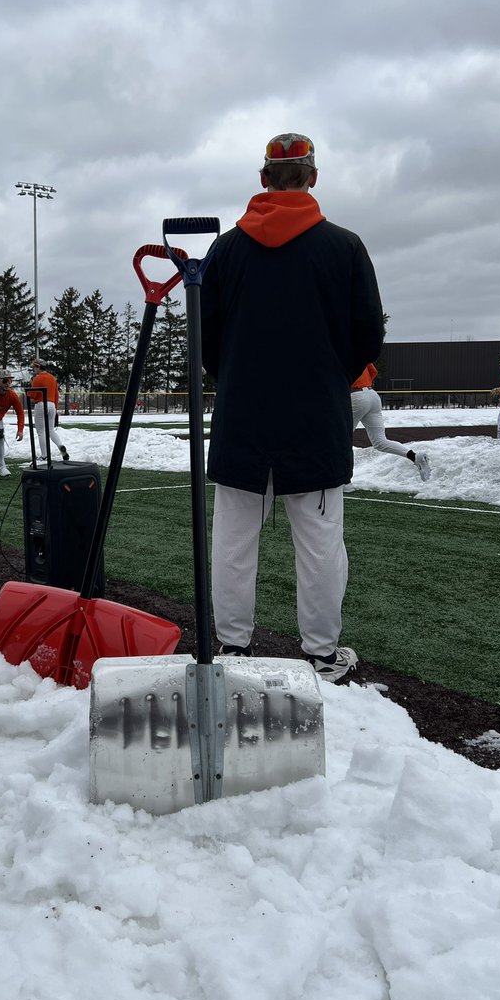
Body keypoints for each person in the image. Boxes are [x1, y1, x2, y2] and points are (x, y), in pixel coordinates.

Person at [201, 132, 384, 682]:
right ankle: (323, 656)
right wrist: (329, 374)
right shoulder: (344, 246)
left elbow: (206, 338)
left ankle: (233, 650)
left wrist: (235, 376)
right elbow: (369, 335)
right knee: (321, 545)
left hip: (242, 416)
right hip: (315, 419)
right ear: (313, 176)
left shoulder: (226, 249)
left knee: (233, 544)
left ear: (263, 179)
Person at [349, 363, 431, 485]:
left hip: (355, 395)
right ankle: (415, 457)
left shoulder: (338, 353)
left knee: (341, 440)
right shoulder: (358, 351)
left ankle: (345, 481)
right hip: (372, 395)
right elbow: (373, 372)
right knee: (380, 442)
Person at [27, 358, 69, 462]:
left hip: (40, 404)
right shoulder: (52, 378)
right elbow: (56, 395)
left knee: (41, 432)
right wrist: (55, 407)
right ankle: (60, 446)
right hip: (52, 404)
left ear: (38, 367)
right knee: (50, 430)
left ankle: (44, 455)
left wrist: (28, 393)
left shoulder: (37, 379)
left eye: (34, 367)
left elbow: (32, 395)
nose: (33, 369)